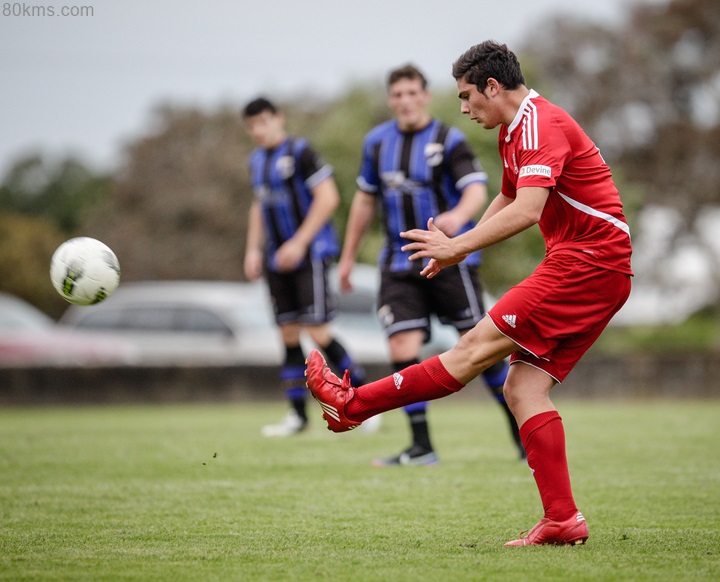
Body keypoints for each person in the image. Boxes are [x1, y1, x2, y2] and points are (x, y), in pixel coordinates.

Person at [305, 41, 632, 546]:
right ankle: (563, 519)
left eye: (466, 96)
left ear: (492, 87)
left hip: (586, 263)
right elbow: (505, 195)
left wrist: (458, 247)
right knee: (521, 388)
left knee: (471, 350)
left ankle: (353, 405)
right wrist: (457, 248)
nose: (462, 108)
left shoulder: (541, 126)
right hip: (591, 266)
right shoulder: (513, 131)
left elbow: (525, 210)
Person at [339, 64, 524, 466]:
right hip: (398, 263)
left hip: (449, 258)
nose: (404, 101)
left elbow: (475, 188)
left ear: (424, 96)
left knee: (483, 349)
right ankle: (421, 446)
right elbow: (364, 201)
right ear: (390, 100)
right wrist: (348, 258)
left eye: (411, 93)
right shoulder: (376, 144)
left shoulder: (448, 140)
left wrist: (458, 218)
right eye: (397, 95)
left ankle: (520, 438)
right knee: (402, 344)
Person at [242, 97, 365, 437]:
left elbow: (328, 197)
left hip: (309, 255)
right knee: (288, 334)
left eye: (264, 122)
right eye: (252, 126)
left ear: (279, 119)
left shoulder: (301, 152)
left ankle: (366, 402)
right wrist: (253, 249)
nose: (259, 130)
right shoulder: (256, 161)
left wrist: (298, 242)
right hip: (275, 260)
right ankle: (298, 416)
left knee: (319, 331)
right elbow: (258, 206)